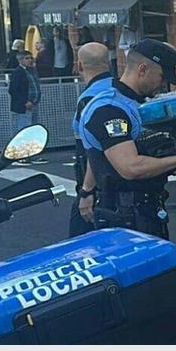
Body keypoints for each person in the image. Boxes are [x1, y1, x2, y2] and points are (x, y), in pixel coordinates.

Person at [76, 40, 176, 237]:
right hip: (123, 215)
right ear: (143, 69)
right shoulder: (109, 109)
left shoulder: (135, 104)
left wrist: (86, 190)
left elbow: (101, 153)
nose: (163, 84)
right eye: (161, 76)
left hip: (147, 208)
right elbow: (130, 168)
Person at [69, 42, 114, 238]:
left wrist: (87, 191)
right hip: (122, 180)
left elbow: (93, 151)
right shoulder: (119, 89)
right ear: (109, 64)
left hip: (98, 185)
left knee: (80, 243)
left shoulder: (89, 100)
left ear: (79, 66)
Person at [8, 52, 47, 164]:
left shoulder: (32, 71)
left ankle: (33, 154)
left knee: (33, 130)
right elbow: (13, 90)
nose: (30, 60)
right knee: (24, 131)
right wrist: (25, 102)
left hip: (33, 104)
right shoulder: (18, 72)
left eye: (31, 58)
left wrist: (35, 100)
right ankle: (22, 155)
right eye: (27, 58)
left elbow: (35, 86)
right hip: (24, 106)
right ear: (20, 60)